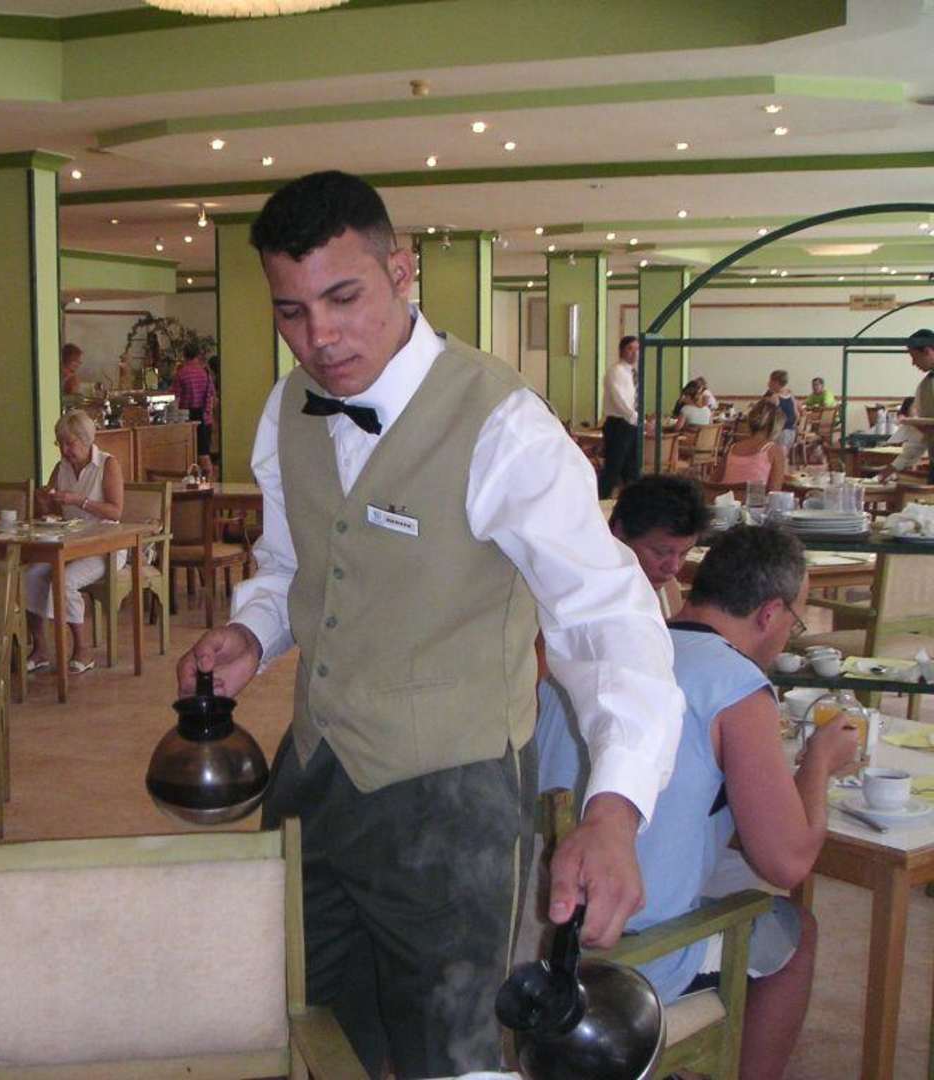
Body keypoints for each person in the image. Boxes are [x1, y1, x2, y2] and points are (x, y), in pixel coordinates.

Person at [175, 171, 683, 1078]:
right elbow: (290, 564)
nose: (320, 338)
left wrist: (613, 811)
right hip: (315, 776)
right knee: (300, 1020)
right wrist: (253, 632)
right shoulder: (286, 408)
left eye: (344, 298)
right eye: (291, 312)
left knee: (449, 1052)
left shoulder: (503, 425)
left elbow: (607, 619)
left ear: (401, 271)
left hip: (456, 804)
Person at [537, 525, 859, 1079]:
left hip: (536, 929)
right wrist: (819, 764)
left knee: (721, 874)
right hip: (625, 954)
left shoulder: (606, 652)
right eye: (794, 622)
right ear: (770, 613)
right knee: (796, 931)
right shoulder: (734, 683)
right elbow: (787, 863)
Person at [25, 410, 124, 676]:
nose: (65, 450)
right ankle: (40, 649)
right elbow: (53, 511)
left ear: (86, 440)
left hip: (106, 545)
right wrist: (44, 501)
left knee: (64, 579)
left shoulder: (107, 464)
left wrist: (79, 500)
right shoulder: (62, 468)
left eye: (70, 443)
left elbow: (116, 511)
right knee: (31, 576)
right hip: (70, 544)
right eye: (60, 443)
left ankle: (82, 649)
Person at [609, 475, 710, 618]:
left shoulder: (666, 590)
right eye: (660, 552)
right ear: (620, 532)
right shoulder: (589, 597)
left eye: (684, 553)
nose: (673, 567)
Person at [876, 329, 934, 483]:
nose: (913, 363)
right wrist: (893, 467)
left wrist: (915, 422)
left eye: (914, 357)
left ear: (927, 351)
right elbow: (919, 438)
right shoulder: (924, 387)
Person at [599, 334, 641, 498]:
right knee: (613, 468)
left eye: (637, 349)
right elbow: (620, 400)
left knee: (632, 468)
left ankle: (632, 501)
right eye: (630, 348)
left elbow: (634, 398)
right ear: (621, 351)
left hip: (632, 424)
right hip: (618, 424)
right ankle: (601, 500)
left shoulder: (633, 373)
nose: (634, 353)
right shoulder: (615, 371)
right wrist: (637, 418)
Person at [720, 397, 787, 491]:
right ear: (777, 426)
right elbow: (774, 492)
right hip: (754, 500)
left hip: (727, 499)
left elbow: (714, 484)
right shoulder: (775, 451)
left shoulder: (733, 448)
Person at [172, 342, 217, 478]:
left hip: (188, 419)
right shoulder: (205, 373)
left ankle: (202, 482)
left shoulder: (181, 373)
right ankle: (208, 482)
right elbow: (212, 396)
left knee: (192, 456)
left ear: (184, 355)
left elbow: (175, 396)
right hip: (205, 418)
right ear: (198, 355)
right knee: (204, 453)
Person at [764, 369, 800, 449]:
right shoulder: (790, 395)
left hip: (779, 433)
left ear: (776, 382)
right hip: (791, 432)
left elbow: (767, 417)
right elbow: (797, 415)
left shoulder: (774, 397)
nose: (768, 383)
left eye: (770, 380)